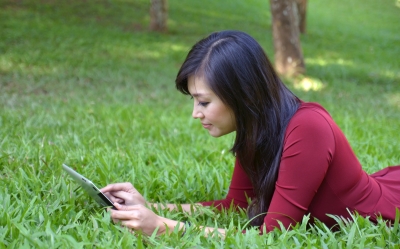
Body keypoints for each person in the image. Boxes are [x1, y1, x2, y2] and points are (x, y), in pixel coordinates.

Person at [101, 30, 400, 237]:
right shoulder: (255, 128)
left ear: (242, 94)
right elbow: (236, 205)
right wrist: (150, 207)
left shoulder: (308, 127)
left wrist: (163, 226)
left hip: (383, 213)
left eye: (204, 101)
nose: (195, 113)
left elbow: (271, 236)